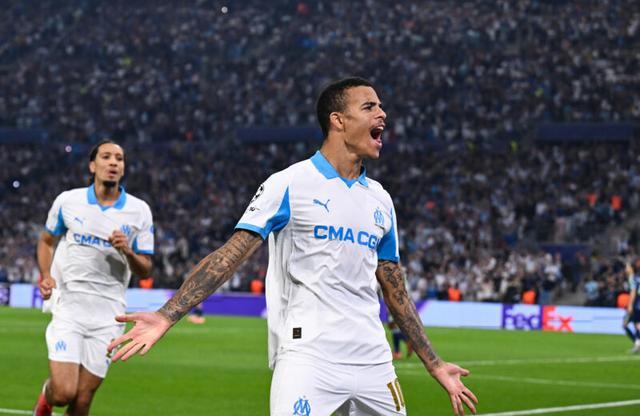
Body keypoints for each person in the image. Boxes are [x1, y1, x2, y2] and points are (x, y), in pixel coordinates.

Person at [108, 77, 478, 415]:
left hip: (374, 361)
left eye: (381, 106)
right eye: (369, 107)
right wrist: (167, 315)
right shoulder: (289, 183)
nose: (382, 114)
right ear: (338, 120)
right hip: (309, 357)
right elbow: (231, 254)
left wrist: (434, 364)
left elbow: (395, 288)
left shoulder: (381, 199)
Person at [33, 139, 155, 416]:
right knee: (63, 392)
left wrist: (127, 251)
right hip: (70, 307)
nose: (113, 163)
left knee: (83, 401)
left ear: (123, 168)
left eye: (119, 159)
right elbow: (46, 241)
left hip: (109, 316)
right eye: (106, 156)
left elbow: (146, 269)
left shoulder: (139, 211)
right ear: (92, 165)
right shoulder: (68, 201)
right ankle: (45, 398)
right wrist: (46, 274)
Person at [625, 262, 640, 353]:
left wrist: (630, 305)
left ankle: (637, 343)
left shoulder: (632, 278)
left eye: (627, 267)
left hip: (636, 303)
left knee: (625, 324)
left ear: (631, 269)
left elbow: (633, 291)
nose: (626, 269)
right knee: (637, 324)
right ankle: (637, 344)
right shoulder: (637, 277)